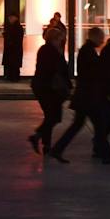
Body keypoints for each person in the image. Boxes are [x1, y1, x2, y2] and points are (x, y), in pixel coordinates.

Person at [49, 27, 110, 163]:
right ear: (95, 37)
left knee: (80, 124)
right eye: (101, 37)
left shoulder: (86, 50)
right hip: (89, 97)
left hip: (84, 96)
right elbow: (94, 73)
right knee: (99, 125)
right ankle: (105, 155)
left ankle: (58, 149)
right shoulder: (89, 52)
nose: (102, 40)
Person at [28, 24, 72, 154]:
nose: (61, 41)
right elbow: (58, 70)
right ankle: (38, 137)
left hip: (43, 86)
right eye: (59, 38)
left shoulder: (47, 50)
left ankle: (45, 144)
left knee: (50, 116)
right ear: (55, 39)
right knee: (53, 116)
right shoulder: (51, 51)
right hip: (48, 88)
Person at [1, 14, 25, 81]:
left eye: (11, 18)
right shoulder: (16, 27)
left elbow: (15, 38)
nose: (9, 19)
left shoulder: (16, 27)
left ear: (15, 18)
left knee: (13, 63)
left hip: (14, 49)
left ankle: (13, 77)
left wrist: (7, 36)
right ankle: (14, 77)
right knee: (14, 64)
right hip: (15, 49)